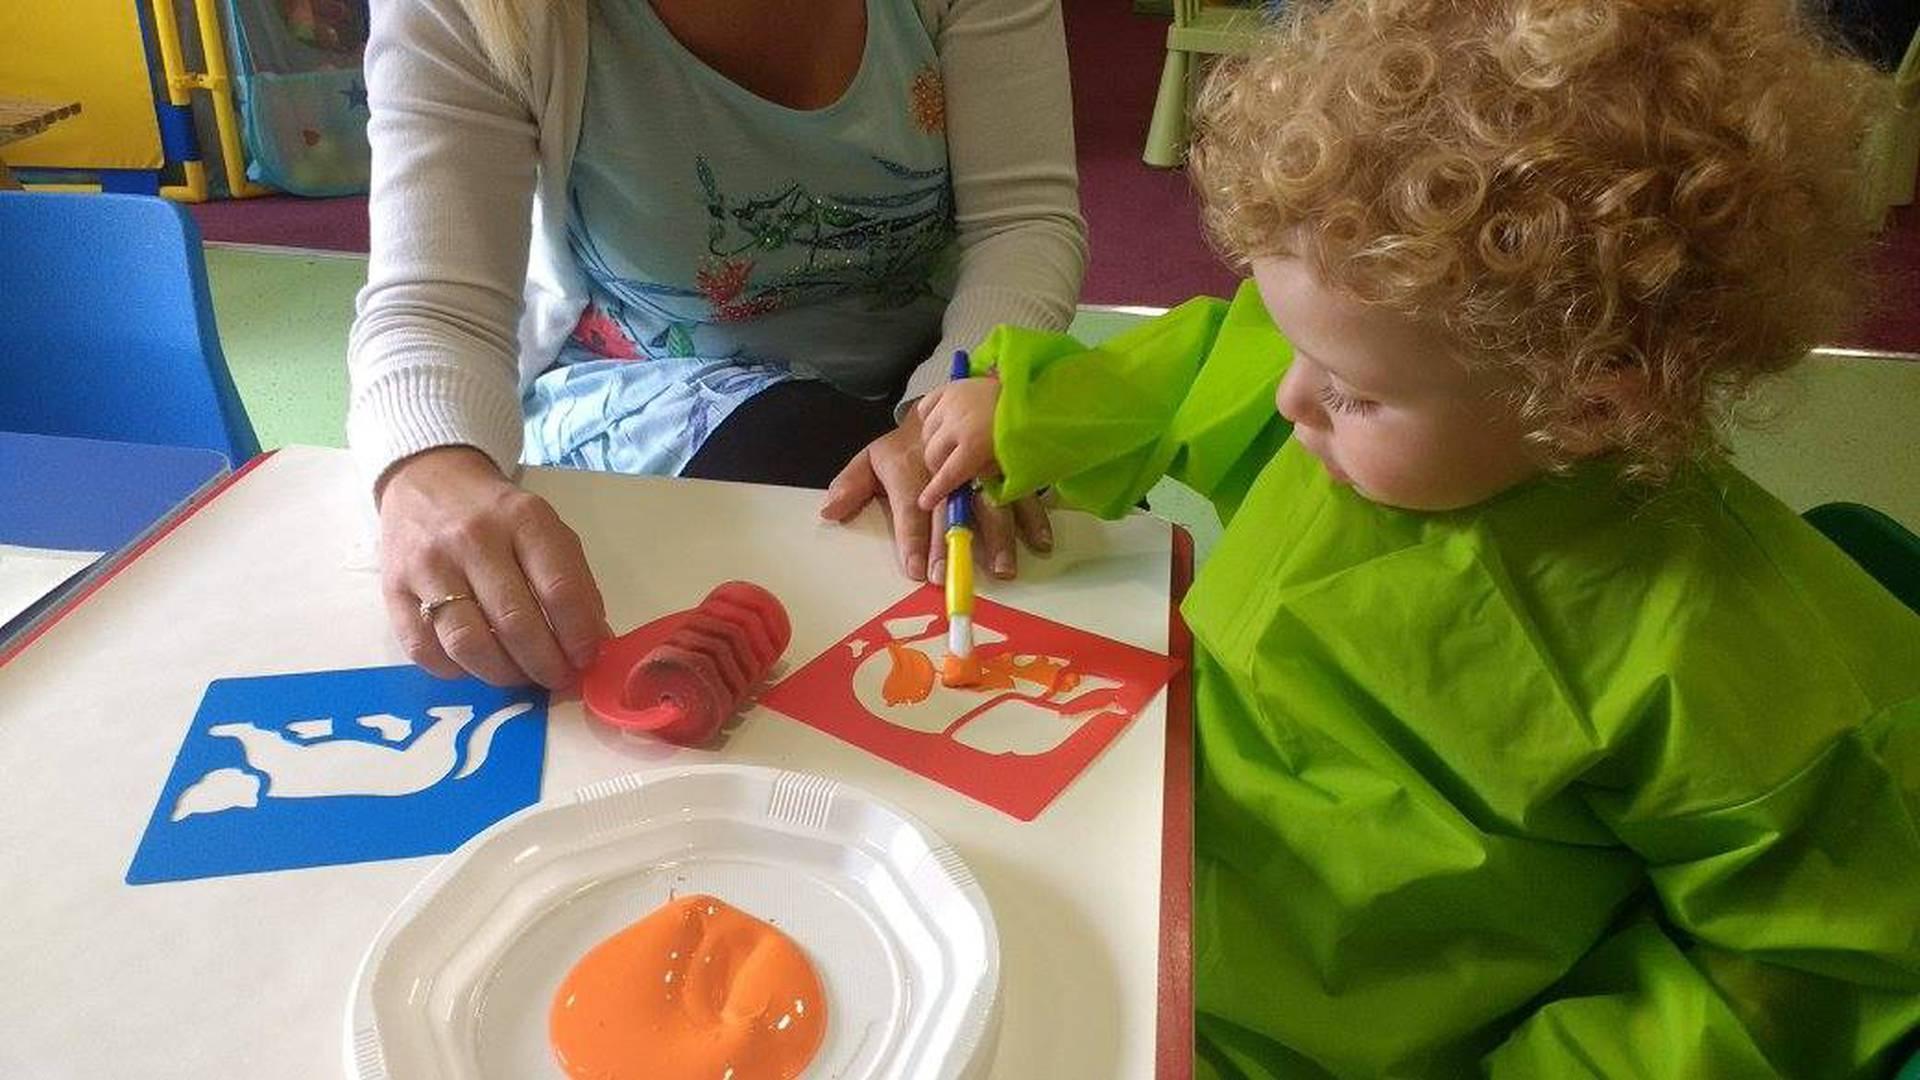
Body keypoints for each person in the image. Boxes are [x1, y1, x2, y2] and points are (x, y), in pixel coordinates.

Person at [915, 0, 1920, 1074]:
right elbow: (1208, 365)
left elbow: (1799, 974)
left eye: (1350, 391)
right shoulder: (1379, 386)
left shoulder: (1728, 651)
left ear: (1588, 405)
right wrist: (1021, 412)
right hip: (1140, 884)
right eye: (1293, 338)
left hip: (1340, 1040)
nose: (1291, 399)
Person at [350, 0, 1083, 689]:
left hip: (935, 355)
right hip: (660, 382)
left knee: (1080, 506)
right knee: (814, 469)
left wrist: (946, 405)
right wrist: (429, 467)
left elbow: (1021, 221)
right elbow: (435, 302)